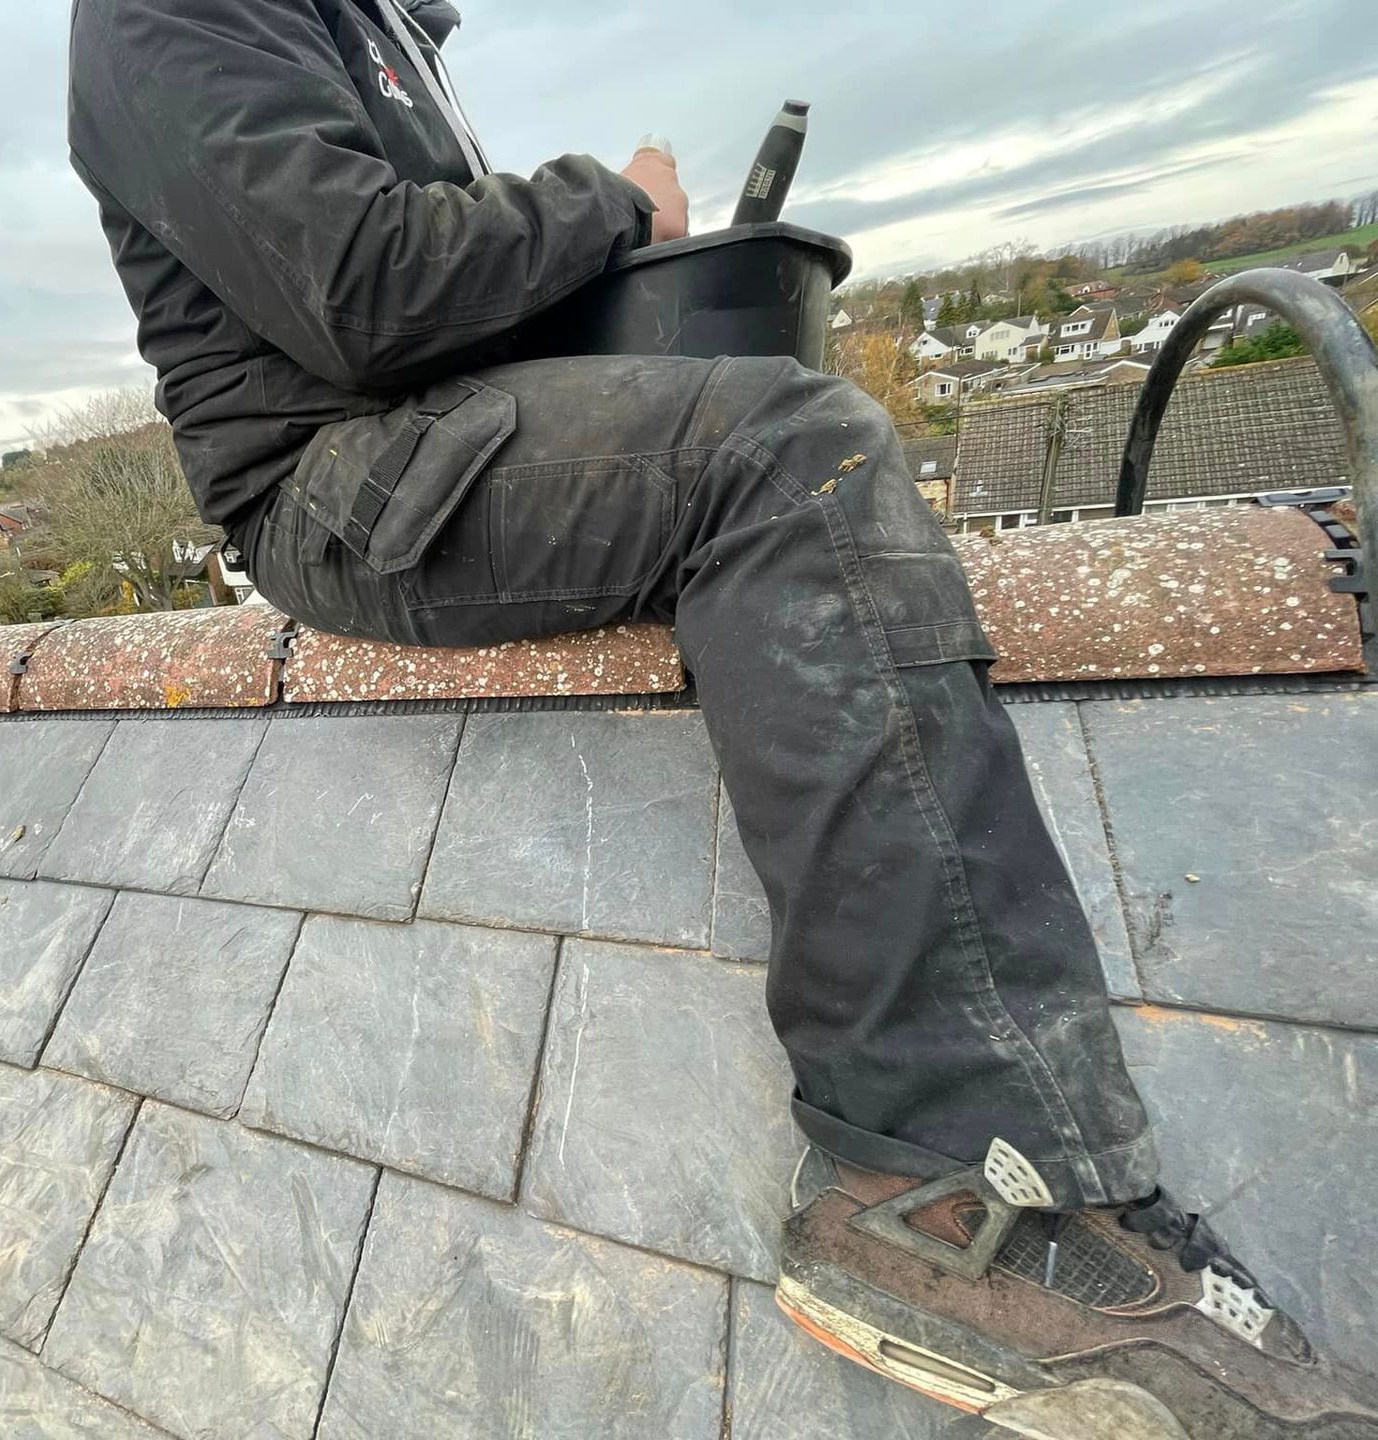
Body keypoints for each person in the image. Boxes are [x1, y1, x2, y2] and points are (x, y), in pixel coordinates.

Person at [66, 2, 1377, 1432]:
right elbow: (361, 285)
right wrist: (614, 198)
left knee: (768, 413)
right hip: (330, 480)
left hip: (419, 432)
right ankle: (934, 1173)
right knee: (791, 453)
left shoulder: (363, 21)